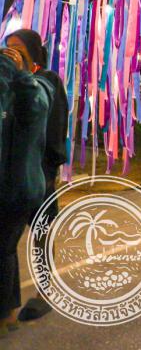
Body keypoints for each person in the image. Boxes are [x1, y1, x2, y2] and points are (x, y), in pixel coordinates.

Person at [5, 29, 67, 323]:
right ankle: (8, 302)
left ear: (32, 51)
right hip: (13, 171)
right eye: (8, 46)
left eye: (18, 47)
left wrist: (51, 168)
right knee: (8, 239)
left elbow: (55, 127)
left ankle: (45, 292)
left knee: (41, 233)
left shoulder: (47, 80)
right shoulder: (10, 80)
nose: (12, 52)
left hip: (41, 169)